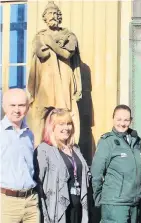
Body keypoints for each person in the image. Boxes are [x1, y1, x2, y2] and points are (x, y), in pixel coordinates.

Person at [27, 1, 82, 145]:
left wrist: (50, 43)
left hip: (64, 80)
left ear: (59, 16)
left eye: (55, 13)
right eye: (49, 14)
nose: (52, 16)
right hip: (45, 82)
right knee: (40, 114)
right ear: (44, 18)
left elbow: (66, 53)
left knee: (66, 114)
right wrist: (52, 43)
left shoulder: (69, 36)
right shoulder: (39, 36)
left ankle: (70, 145)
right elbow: (41, 53)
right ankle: (37, 147)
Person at [35, 108, 90, 223]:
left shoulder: (75, 149)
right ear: (52, 127)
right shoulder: (44, 150)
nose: (66, 128)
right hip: (57, 210)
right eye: (61, 124)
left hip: (77, 208)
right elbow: (38, 184)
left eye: (68, 124)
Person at [91, 105, 141, 223]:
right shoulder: (107, 142)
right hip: (115, 204)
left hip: (134, 203)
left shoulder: (137, 141)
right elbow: (96, 173)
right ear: (113, 119)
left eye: (126, 120)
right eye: (119, 119)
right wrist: (99, 197)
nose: (122, 123)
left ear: (131, 120)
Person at [0, 88, 39, 223]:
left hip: (31, 201)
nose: (17, 110)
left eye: (21, 105)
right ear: (4, 107)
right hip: (6, 203)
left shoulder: (29, 135)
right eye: (13, 105)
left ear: (27, 108)